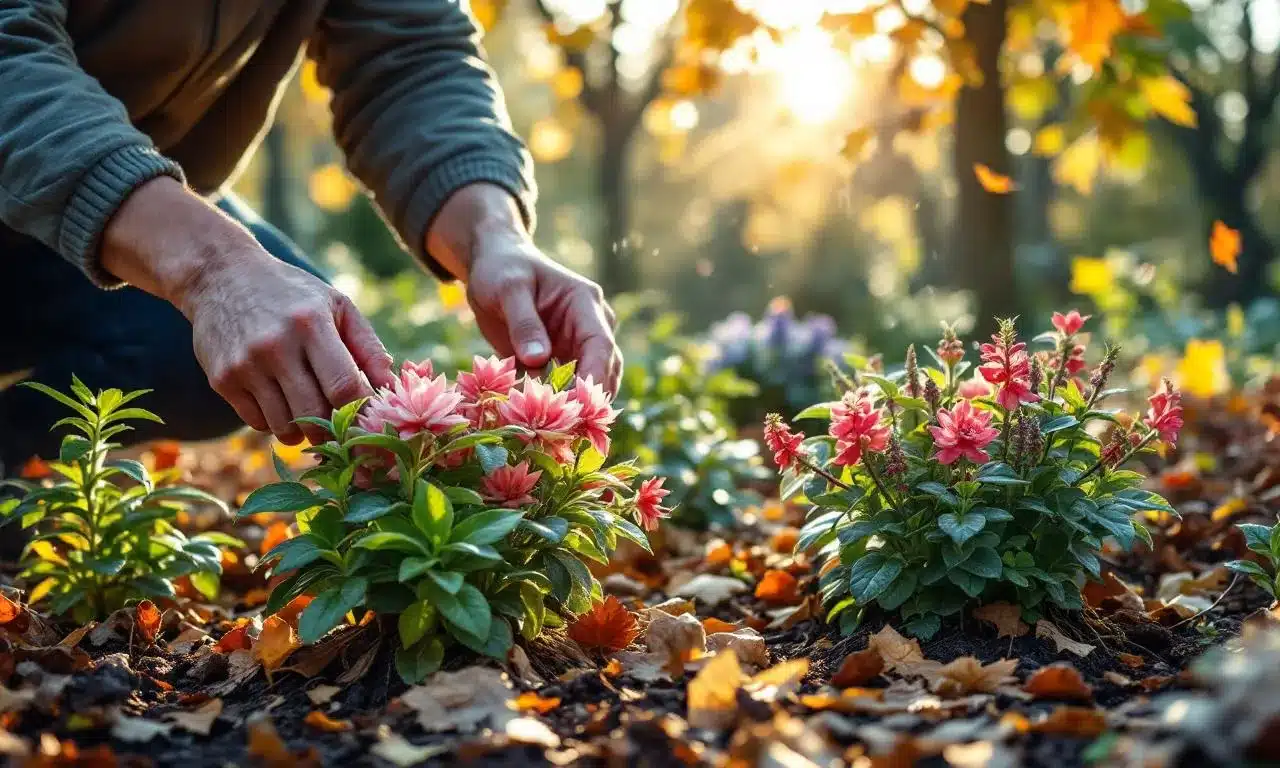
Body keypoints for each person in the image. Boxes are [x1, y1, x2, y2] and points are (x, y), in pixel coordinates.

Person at [0, 1, 621, 471]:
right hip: (51, 172)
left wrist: (493, 237)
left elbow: (410, 60)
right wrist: (210, 268)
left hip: (99, 219)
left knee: (271, 345)